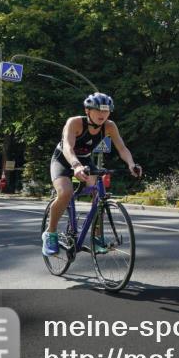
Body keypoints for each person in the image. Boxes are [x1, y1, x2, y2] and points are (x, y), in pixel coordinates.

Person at [42, 93, 142, 256]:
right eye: (98, 110)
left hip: (85, 159)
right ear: (87, 110)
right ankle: (50, 233)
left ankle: (96, 236)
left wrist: (131, 164)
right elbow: (68, 147)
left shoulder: (109, 126)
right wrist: (76, 166)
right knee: (66, 193)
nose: (103, 114)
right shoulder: (74, 122)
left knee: (99, 194)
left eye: (106, 111)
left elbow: (122, 148)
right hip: (63, 159)